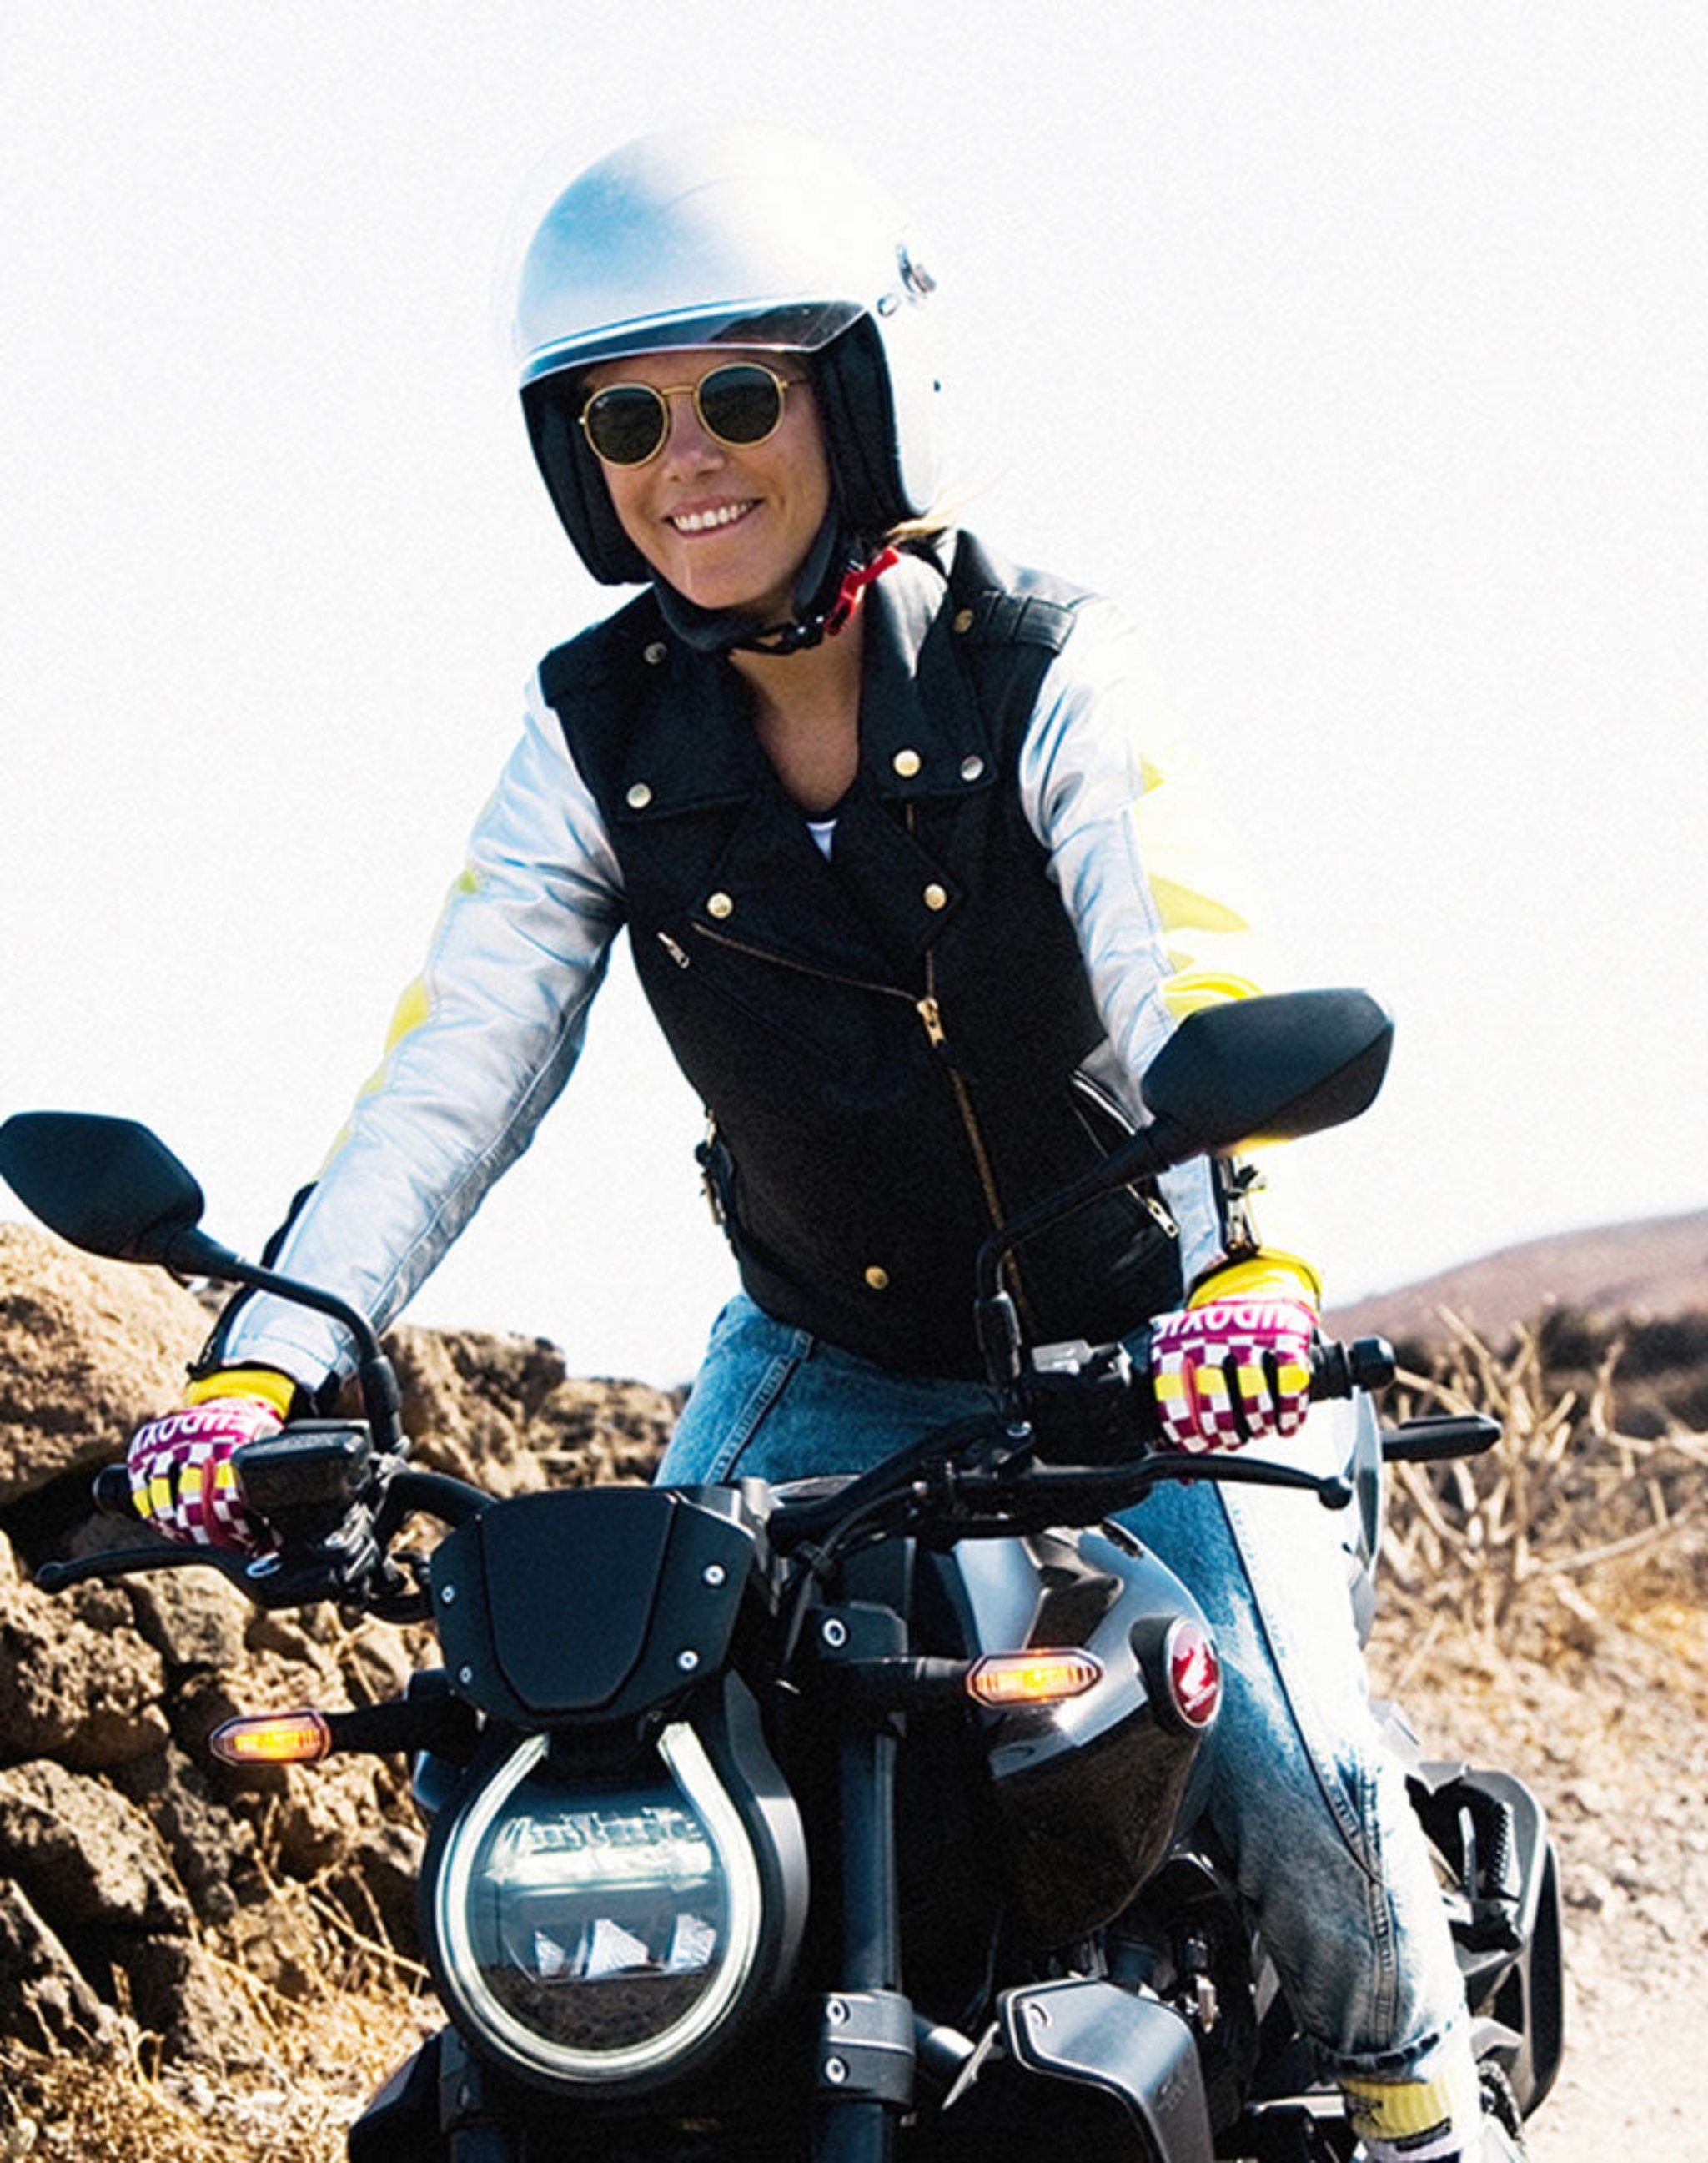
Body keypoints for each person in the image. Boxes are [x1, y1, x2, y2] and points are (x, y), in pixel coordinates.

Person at [124, 125, 1514, 2161]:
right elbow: (451, 1073)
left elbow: (1192, 984)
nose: (685, 456)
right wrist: (270, 1357)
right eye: (623, 414)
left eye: (740, 394)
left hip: (1150, 1360)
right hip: (821, 1358)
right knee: (558, 1753)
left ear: (863, 399)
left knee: (1301, 1784)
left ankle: (1419, 2121)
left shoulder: (1052, 667)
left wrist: (1255, 1275)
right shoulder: (592, 732)